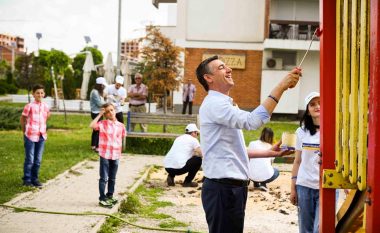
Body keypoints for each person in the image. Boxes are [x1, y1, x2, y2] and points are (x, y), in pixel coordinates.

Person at [196, 55, 301, 233]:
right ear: (208, 78)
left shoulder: (223, 104)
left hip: (230, 188)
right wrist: (281, 86)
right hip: (224, 189)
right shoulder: (215, 104)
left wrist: (271, 153)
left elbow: (235, 151)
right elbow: (253, 121)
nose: (229, 70)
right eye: (222, 67)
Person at [290, 92, 320, 233]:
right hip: (304, 186)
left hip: (326, 186)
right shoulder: (301, 132)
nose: (317, 106)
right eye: (313, 104)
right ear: (307, 110)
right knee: (306, 229)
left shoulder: (334, 130)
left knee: (320, 229)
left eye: (320, 103)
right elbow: (297, 161)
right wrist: (293, 188)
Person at [90, 103, 126, 208]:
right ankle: (102, 198)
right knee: (103, 178)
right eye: (107, 112)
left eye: (111, 110)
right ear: (105, 114)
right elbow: (92, 125)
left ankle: (110, 195)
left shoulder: (121, 126)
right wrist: (99, 114)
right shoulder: (102, 123)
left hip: (115, 155)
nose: (110, 113)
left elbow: (122, 138)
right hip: (105, 154)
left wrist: (120, 152)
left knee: (112, 178)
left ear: (115, 110)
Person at [20, 84, 51, 187]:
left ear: (44, 94)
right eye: (37, 93)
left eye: (42, 93)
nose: (40, 94)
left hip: (41, 135)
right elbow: (23, 119)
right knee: (30, 159)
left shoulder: (46, 107)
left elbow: (47, 116)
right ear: (33, 94)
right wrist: (24, 131)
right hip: (30, 135)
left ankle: (35, 179)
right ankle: (27, 179)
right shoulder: (29, 106)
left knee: (37, 160)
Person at [164, 123, 202, 187]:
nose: (197, 135)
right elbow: (201, 154)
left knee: (176, 159)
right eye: (197, 133)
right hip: (179, 169)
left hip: (167, 167)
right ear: (193, 132)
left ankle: (170, 176)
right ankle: (187, 182)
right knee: (198, 160)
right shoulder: (193, 140)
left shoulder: (178, 138)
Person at [248, 127, 280, 192]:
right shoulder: (270, 147)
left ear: (261, 134)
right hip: (265, 175)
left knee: (254, 166)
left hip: (250, 175)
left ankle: (256, 182)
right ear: (271, 137)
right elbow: (270, 163)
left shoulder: (252, 143)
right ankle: (263, 183)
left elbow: (248, 159)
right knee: (276, 171)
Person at [90, 77, 107, 152]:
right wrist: (108, 103)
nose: (104, 87)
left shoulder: (97, 92)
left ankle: (93, 145)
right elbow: (100, 104)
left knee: (95, 130)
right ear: (100, 85)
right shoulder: (95, 92)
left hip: (98, 112)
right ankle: (97, 147)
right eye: (103, 85)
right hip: (96, 113)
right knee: (98, 129)